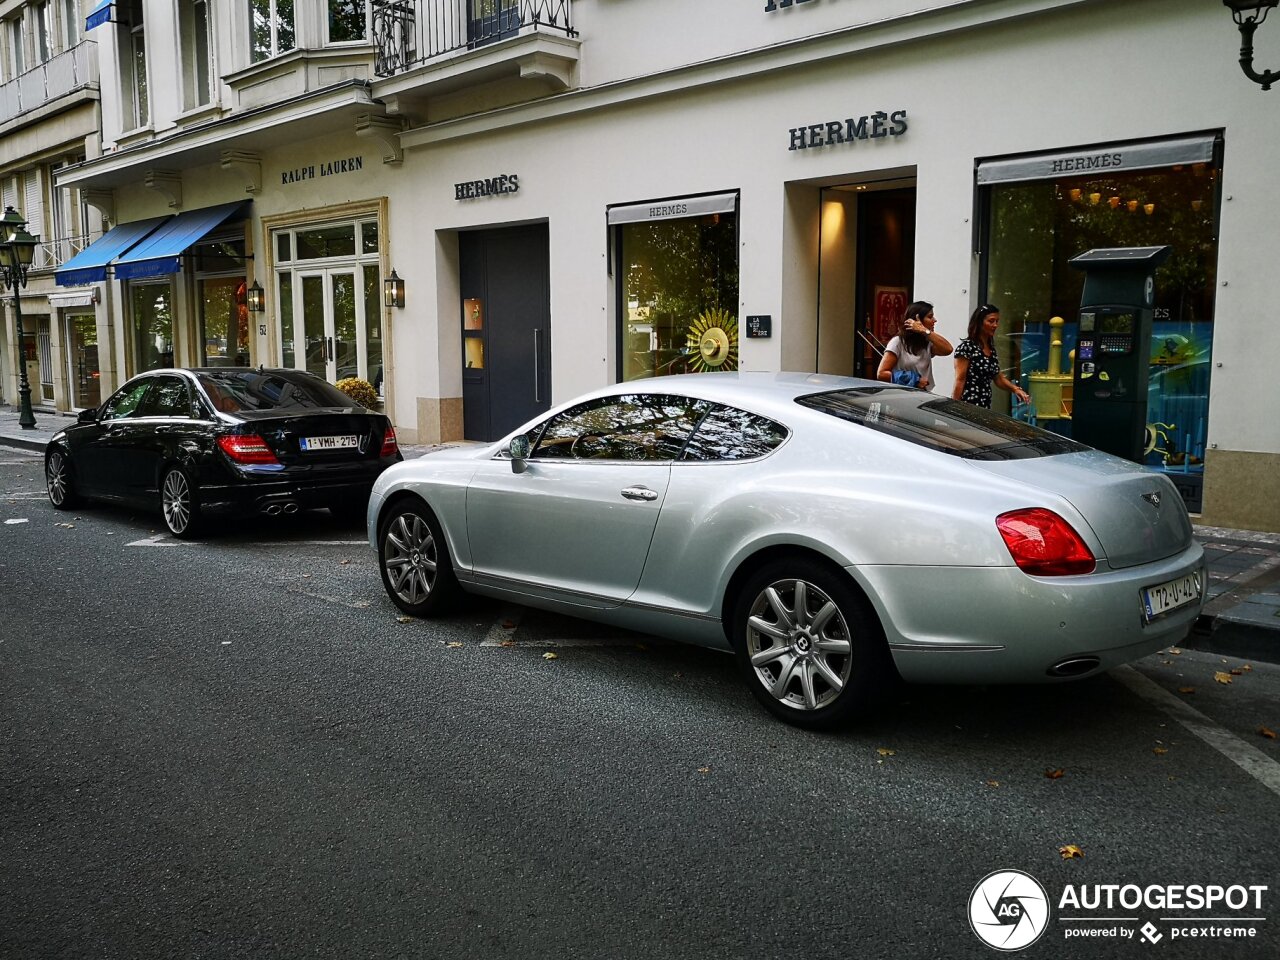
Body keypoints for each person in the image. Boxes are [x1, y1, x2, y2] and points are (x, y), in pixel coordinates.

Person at [953, 303, 1030, 408]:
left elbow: (998, 377)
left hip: (985, 405)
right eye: (991, 321)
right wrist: (955, 406)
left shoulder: (991, 349)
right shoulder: (967, 347)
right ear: (979, 323)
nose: (995, 325)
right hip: (968, 404)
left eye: (997, 321)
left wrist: (1015, 389)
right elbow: (960, 379)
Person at [876, 301, 953, 391]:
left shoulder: (927, 342)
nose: (934, 320)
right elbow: (881, 374)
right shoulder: (898, 342)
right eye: (930, 317)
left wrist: (924, 331)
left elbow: (948, 349)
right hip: (902, 395)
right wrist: (914, 379)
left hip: (923, 395)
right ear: (917, 320)